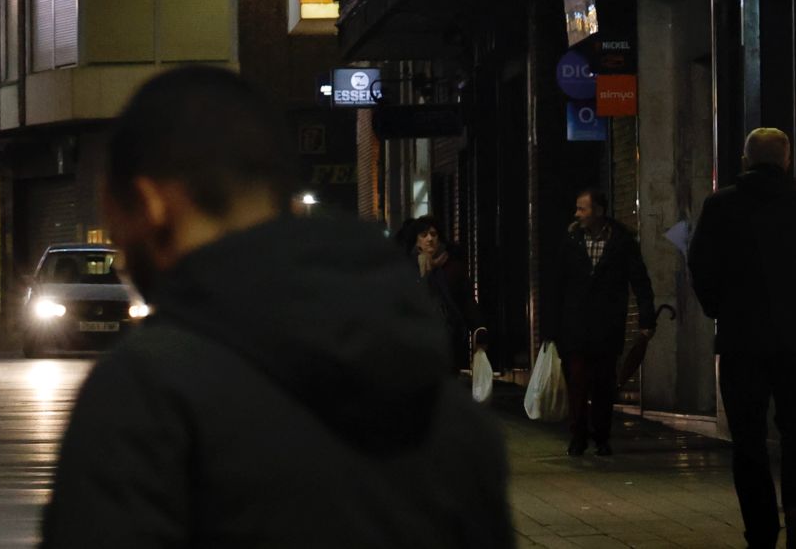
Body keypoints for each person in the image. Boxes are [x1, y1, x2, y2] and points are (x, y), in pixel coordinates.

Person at [40, 66, 513, 548]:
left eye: (116, 224)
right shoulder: (449, 416)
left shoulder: (145, 399)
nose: (121, 255)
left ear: (152, 204)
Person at [688, 128, 796, 549]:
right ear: (787, 160)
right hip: (795, 339)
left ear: (745, 160)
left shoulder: (720, 206)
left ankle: (760, 527)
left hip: (741, 340)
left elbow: (700, 265)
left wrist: (718, 308)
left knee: (748, 436)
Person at [547, 187, 655, 457]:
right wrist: (552, 325)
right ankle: (578, 435)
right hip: (575, 324)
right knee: (578, 381)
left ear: (598, 211)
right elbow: (558, 283)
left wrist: (646, 317)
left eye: (582, 209)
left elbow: (640, 280)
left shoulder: (621, 241)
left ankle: (602, 435)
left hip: (607, 324)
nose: (577, 214)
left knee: (604, 383)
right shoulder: (572, 240)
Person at [411, 213, 482, 370]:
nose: (430, 239)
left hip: (450, 337)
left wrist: (478, 328)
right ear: (417, 241)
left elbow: (466, 301)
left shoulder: (453, 267)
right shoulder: (409, 269)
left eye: (434, 234)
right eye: (424, 235)